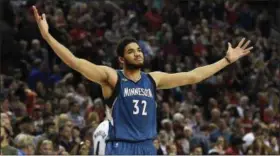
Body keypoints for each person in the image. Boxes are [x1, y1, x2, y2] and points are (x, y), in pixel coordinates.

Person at [32, 6, 253, 155]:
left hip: (148, 147)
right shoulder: (111, 78)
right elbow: (74, 61)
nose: (138, 53)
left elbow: (194, 75)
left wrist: (226, 60)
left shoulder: (153, 79)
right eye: (131, 51)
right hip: (121, 147)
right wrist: (47, 37)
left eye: (139, 50)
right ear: (121, 59)